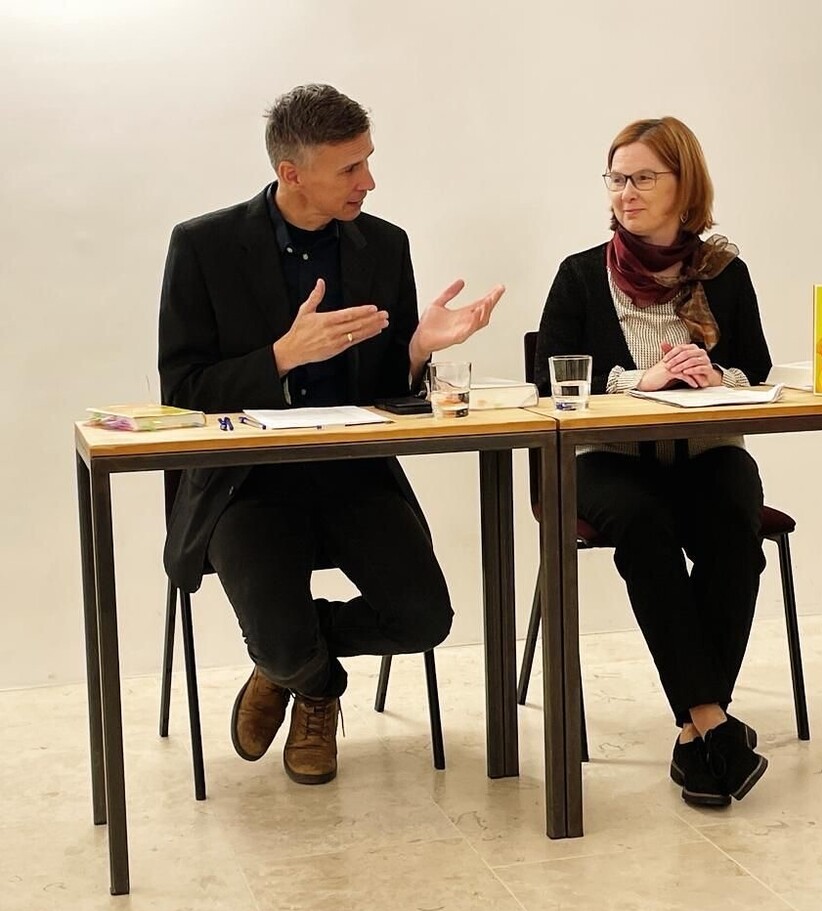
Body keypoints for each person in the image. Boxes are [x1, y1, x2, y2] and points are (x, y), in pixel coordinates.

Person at [158, 84, 504, 785]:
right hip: (247, 485)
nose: (368, 181)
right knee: (285, 640)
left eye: (368, 160)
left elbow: (388, 390)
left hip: (354, 474)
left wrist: (417, 351)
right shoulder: (203, 246)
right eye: (350, 167)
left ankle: (285, 662)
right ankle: (315, 687)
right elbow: (182, 393)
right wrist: (280, 358)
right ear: (291, 173)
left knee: (424, 621)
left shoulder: (384, 245)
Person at [535, 116, 771, 807]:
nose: (626, 192)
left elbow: (755, 369)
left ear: (684, 185)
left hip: (707, 451)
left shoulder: (725, 274)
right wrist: (639, 380)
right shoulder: (580, 274)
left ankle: (699, 734)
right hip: (607, 458)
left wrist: (715, 375)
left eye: (642, 177)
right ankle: (711, 722)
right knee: (644, 525)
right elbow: (549, 378)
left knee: (734, 525)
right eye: (616, 179)